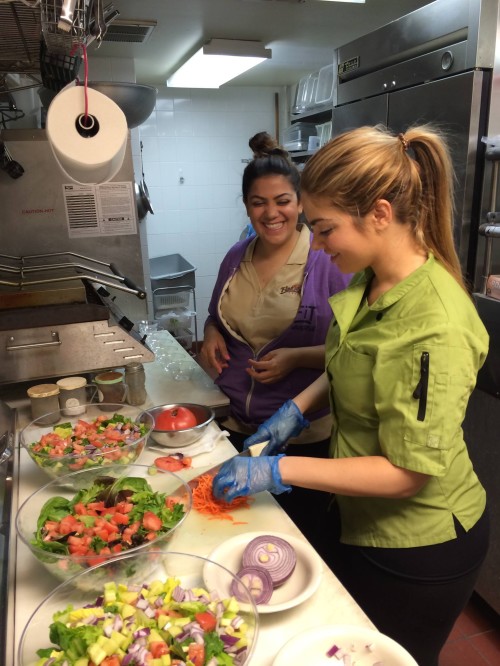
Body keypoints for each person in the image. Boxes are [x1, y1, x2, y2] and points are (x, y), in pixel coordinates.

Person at [212, 124, 490, 666]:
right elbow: (350, 362)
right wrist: (300, 408)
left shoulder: (435, 322)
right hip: (362, 520)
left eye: (325, 228)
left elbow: (409, 471)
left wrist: (281, 470)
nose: (315, 243)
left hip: (421, 544)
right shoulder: (370, 281)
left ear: (380, 214)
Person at [200, 131, 350, 546]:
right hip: (232, 427)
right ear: (247, 207)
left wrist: (298, 358)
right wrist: (211, 334)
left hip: (299, 439)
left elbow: (354, 353)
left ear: (301, 203)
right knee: (235, 537)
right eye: (258, 202)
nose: (271, 214)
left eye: (282, 201)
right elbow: (216, 316)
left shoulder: (328, 261)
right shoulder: (237, 255)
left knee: (296, 543)